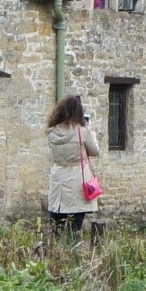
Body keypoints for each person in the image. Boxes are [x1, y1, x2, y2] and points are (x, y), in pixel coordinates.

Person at [45, 93, 101, 234]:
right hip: (77, 182)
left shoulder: (52, 132)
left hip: (58, 182)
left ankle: (57, 254)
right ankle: (72, 252)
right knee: (74, 228)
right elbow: (95, 151)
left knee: (57, 228)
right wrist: (91, 133)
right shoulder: (82, 132)